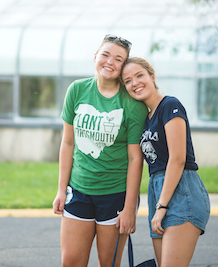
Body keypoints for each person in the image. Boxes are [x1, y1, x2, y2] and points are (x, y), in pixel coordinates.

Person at [52, 36, 148, 267]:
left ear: (122, 67)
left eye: (118, 59)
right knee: (71, 262)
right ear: (95, 56)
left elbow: (136, 158)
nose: (109, 62)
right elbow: (67, 143)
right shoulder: (77, 90)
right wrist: (61, 190)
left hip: (115, 194)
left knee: (108, 263)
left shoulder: (132, 104)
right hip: (79, 190)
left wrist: (129, 207)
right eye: (105, 54)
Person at [122, 57, 210, 267]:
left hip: (181, 191)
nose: (134, 83)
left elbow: (178, 159)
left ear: (152, 77)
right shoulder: (146, 117)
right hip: (157, 190)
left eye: (139, 75)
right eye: (127, 81)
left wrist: (162, 206)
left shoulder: (170, 105)